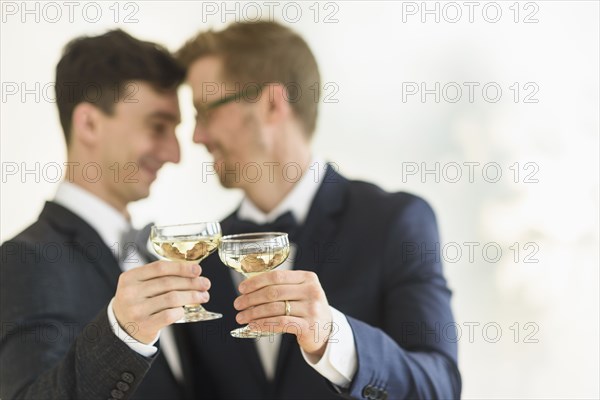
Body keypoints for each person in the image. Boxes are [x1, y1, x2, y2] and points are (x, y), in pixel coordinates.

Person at [175, 21, 462, 399]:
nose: (197, 136)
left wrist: (333, 339)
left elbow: (438, 387)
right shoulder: (203, 258)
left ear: (272, 104)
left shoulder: (395, 222)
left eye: (205, 111)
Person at [0, 30, 209, 400]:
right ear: (89, 124)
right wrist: (123, 335)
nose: (175, 153)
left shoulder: (154, 251)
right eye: (158, 126)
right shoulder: (24, 259)